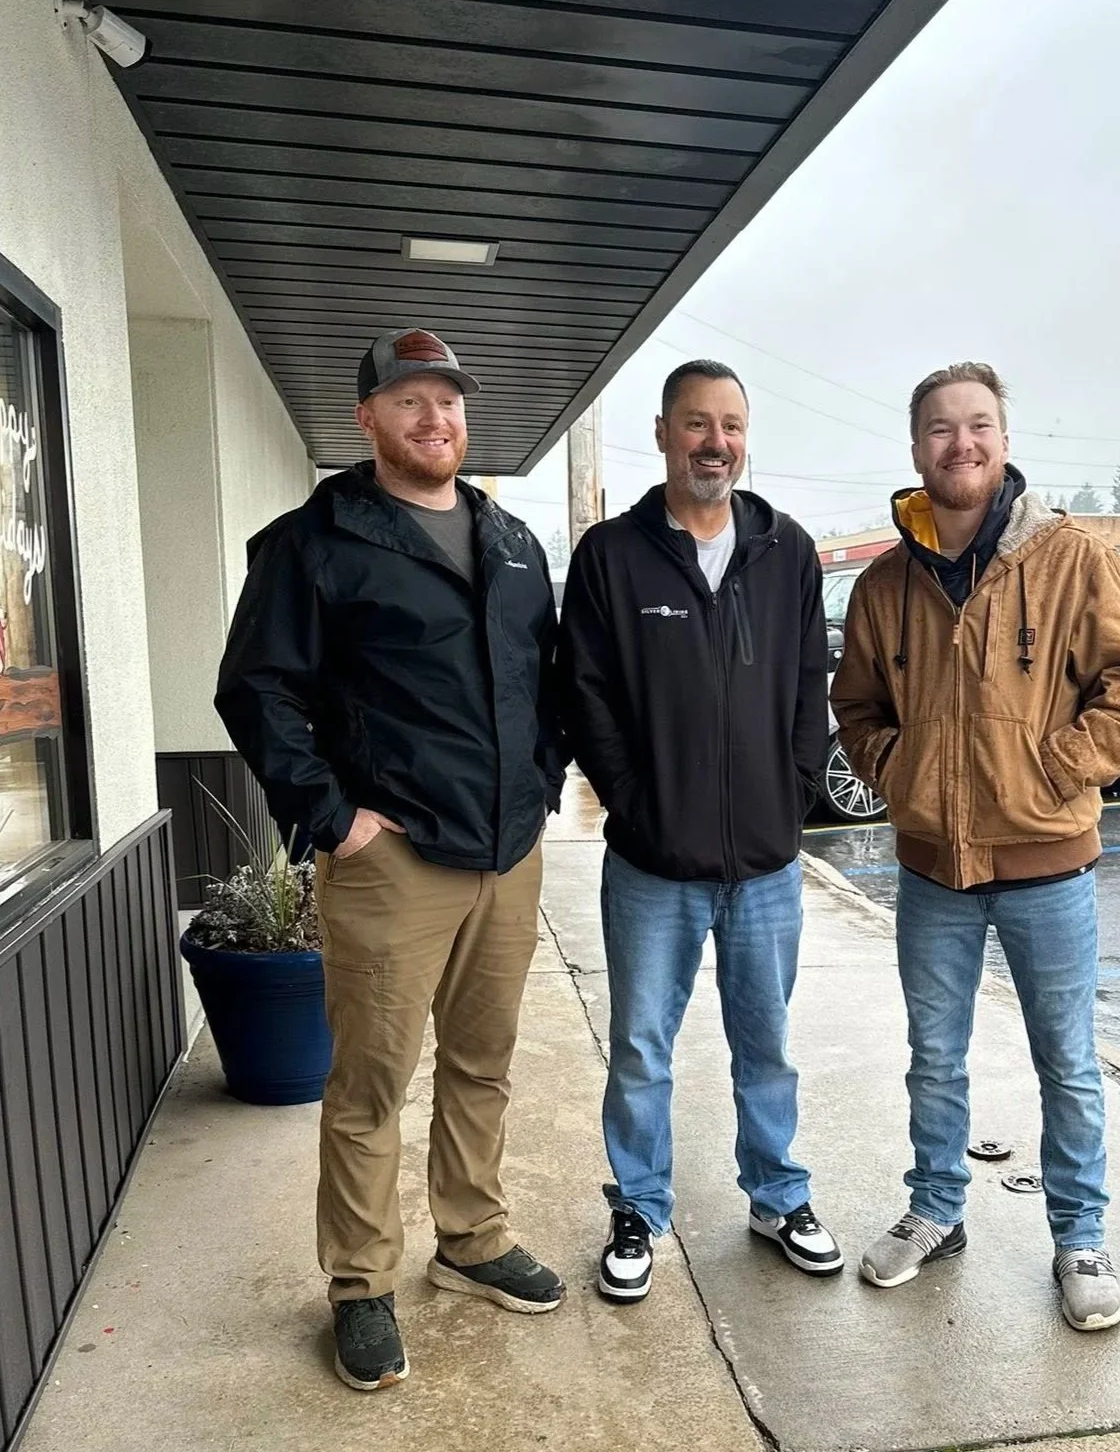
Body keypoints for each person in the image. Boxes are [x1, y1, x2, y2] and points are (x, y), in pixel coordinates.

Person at [216, 327, 566, 1392]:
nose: (434, 418)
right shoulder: (315, 541)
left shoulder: (511, 543)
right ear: (366, 417)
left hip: (508, 853)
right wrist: (333, 817)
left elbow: (540, 680)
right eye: (409, 400)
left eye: (448, 400)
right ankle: (361, 1284)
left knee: (482, 1062)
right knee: (372, 1081)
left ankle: (470, 1237)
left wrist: (543, 785)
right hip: (393, 859)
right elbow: (255, 688)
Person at [831, 363, 1120, 1331]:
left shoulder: (1069, 559)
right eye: (940, 429)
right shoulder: (886, 582)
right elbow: (855, 706)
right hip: (930, 867)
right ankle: (936, 1209)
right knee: (933, 1058)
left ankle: (1079, 1235)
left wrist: (1057, 770)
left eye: (977, 425)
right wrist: (898, 770)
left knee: (1064, 1060)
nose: (960, 443)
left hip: (1048, 865)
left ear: (1004, 438)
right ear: (915, 448)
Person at [558, 358, 840, 1303]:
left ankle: (777, 1193)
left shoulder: (787, 551)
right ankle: (639, 1204)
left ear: (743, 438)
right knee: (642, 1046)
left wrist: (793, 791)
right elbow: (585, 697)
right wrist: (633, 799)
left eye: (730, 425)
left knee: (767, 1043)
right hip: (651, 865)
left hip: (764, 866)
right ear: (664, 432)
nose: (714, 441)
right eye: (695, 424)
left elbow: (811, 688)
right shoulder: (611, 557)